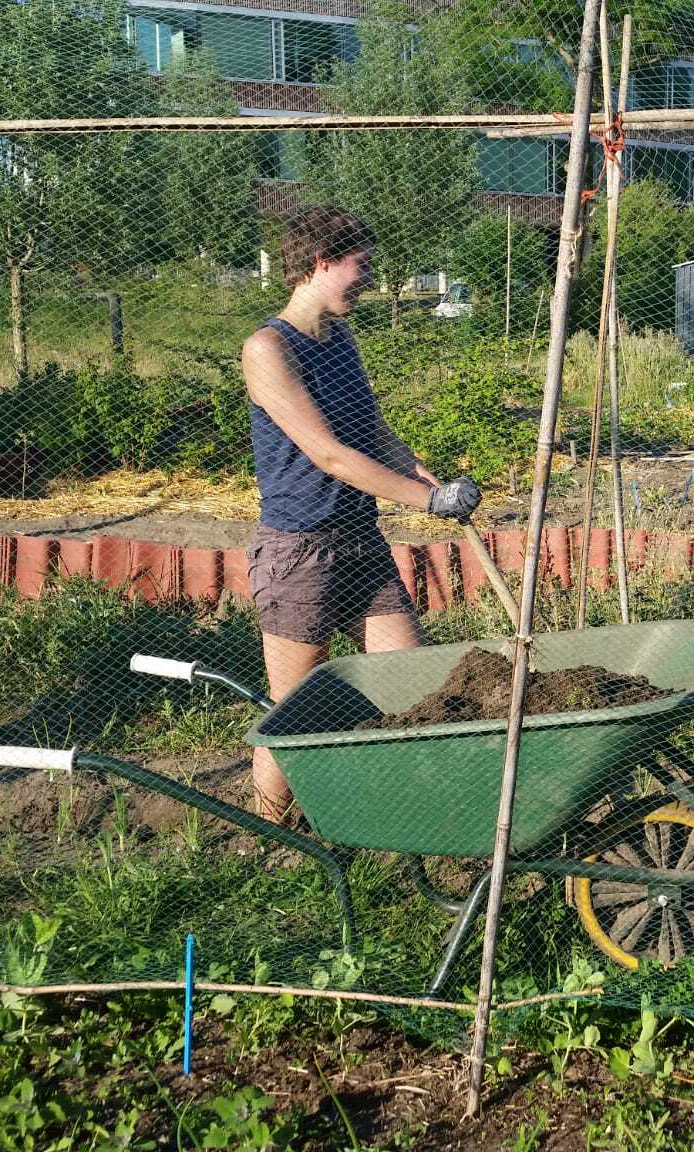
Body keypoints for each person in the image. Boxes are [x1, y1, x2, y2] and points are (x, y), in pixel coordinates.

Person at [242, 205, 481, 824]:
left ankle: (416, 812)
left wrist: (430, 476)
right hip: (301, 550)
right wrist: (424, 501)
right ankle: (271, 836)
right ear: (322, 263)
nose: (369, 277)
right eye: (361, 264)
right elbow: (329, 453)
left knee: (411, 681)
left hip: (359, 543)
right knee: (292, 712)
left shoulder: (340, 340)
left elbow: (370, 430)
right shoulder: (268, 349)